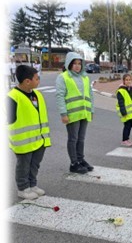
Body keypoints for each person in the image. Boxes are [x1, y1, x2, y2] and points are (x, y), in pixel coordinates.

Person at [7, 65, 51, 199]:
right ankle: (23, 188)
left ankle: (32, 185)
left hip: (39, 139)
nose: (39, 81)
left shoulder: (37, 94)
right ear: (27, 81)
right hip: (23, 141)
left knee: (34, 165)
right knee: (23, 166)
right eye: (37, 79)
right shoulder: (13, 97)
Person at [55, 51, 94, 174]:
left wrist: (91, 110)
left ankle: (80, 160)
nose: (77, 66)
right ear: (69, 64)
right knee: (73, 139)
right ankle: (74, 163)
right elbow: (60, 96)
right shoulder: (63, 77)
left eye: (79, 63)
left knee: (81, 139)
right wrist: (63, 113)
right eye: (74, 63)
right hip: (72, 114)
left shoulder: (85, 77)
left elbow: (90, 95)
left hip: (84, 113)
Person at [116, 74, 132, 147]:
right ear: (123, 81)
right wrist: (123, 112)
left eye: (129, 80)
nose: (128, 81)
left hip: (131, 112)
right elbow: (121, 103)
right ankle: (124, 140)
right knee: (126, 126)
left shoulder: (131, 89)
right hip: (125, 112)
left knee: (130, 126)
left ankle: (127, 138)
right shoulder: (121, 91)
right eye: (126, 80)